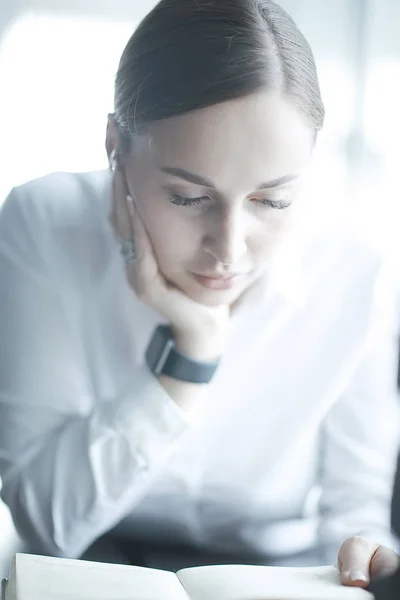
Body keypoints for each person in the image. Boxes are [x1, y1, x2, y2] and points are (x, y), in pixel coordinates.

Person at [0, 0, 399, 589]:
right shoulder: (45, 224)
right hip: (90, 565)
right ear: (116, 146)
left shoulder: (354, 269)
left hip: (279, 573)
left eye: (273, 200)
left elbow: (356, 514)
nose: (229, 250)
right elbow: (43, 521)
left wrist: (367, 553)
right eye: (189, 198)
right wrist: (188, 360)